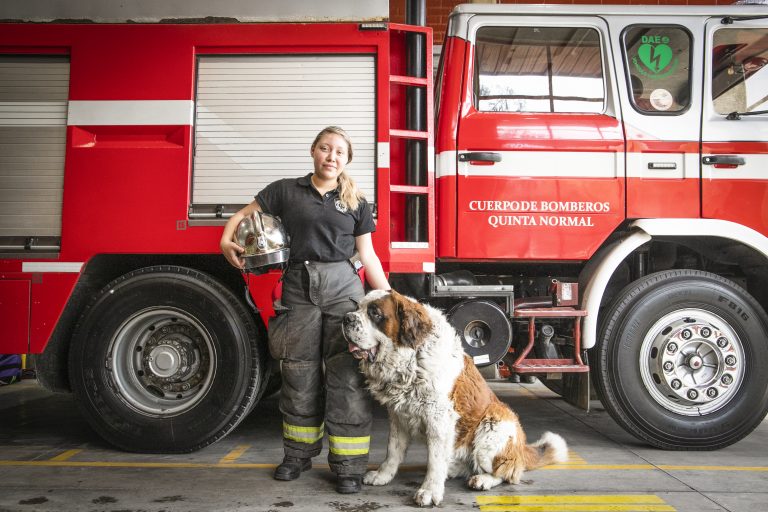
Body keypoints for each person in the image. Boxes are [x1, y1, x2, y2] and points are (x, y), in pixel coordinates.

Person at [220, 126, 390, 494]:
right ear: (313, 151)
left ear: (347, 160)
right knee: (298, 372)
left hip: (344, 287)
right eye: (325, 149)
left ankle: (349, 467)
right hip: (299, 285)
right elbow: (243, 216)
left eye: (339, 152)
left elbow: (368, 254)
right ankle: (297, 456)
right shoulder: (285, 190)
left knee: (347, 375)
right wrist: (225, 239)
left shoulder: (356, 201)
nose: (332, 156)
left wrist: (387, 295)